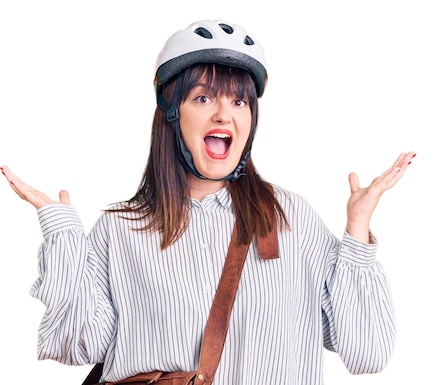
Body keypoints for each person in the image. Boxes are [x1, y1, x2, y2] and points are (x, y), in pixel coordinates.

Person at [1, 19, 415, 384]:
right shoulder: (122, 227)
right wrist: (62, 233)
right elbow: (75, 346)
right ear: (171, 113)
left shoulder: (291, 218)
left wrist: (357, 233)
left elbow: (367, 354)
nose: (224, 115)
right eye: (203, 98)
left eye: (239, 102)